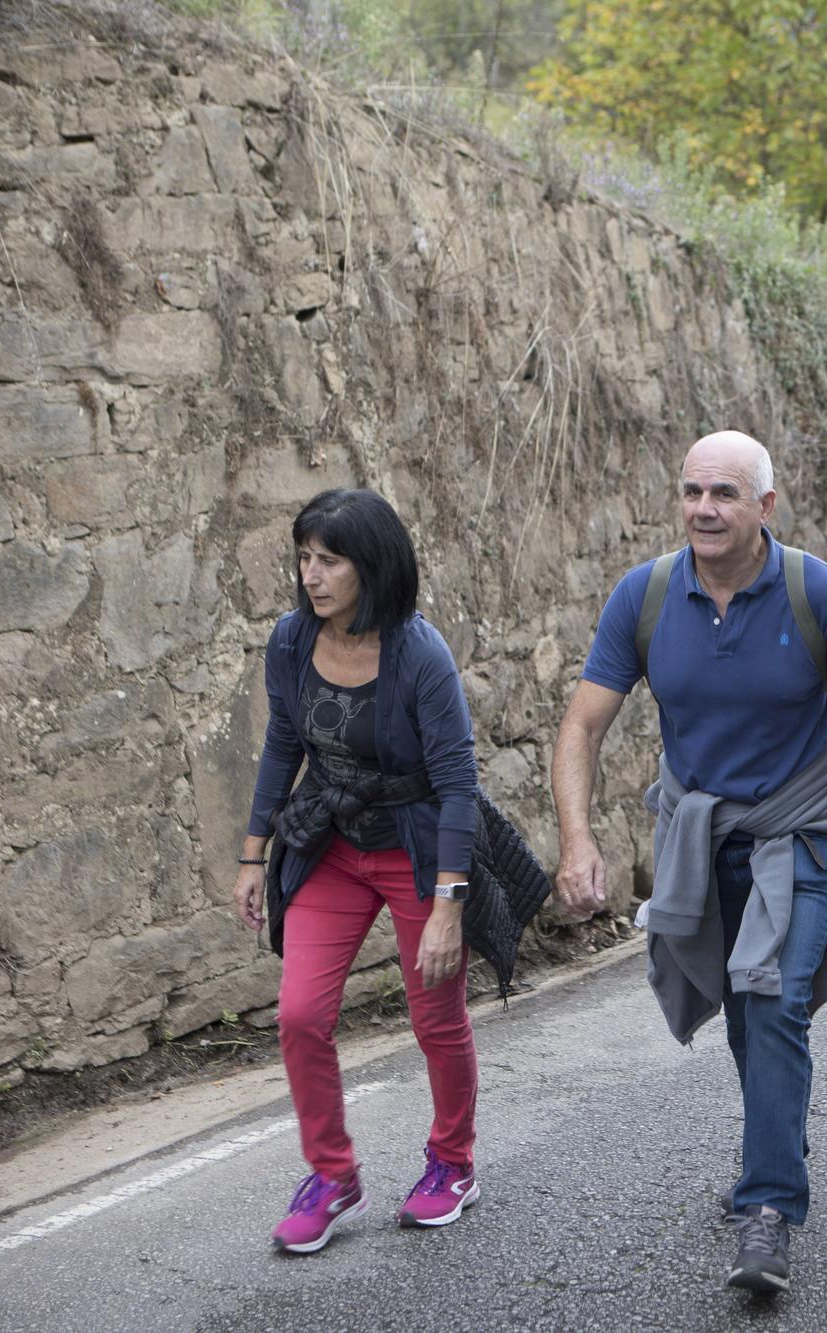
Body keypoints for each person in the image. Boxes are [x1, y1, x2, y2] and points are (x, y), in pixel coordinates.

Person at [551, 430, 827, 1296]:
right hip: (702, 833)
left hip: (799, 828)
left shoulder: (818, 593)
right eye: (691, 491)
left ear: (765, 506)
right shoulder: (646, 595)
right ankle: (777, 1137)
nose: (703, 509)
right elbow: (582, 724)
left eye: (723, 493)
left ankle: (768, 1209)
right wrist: (578, 837)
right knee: (739, 1008)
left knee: (770, 996)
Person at [233, 488, 484, 1254]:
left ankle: (453, 1161)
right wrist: (253, 854)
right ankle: (333, 1173)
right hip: (332, 845)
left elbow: (457, 784)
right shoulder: (290, 640)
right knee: (300, 1015)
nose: (312, 574)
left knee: (435, 1016)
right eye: (304, 556)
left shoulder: (419, 654)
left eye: (330, 559)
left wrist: (448, 904)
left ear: (370, 565)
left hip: (413, 844)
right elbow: (284, 745)